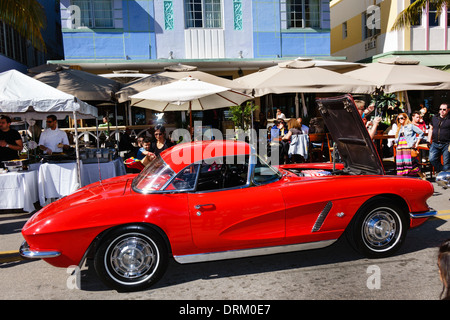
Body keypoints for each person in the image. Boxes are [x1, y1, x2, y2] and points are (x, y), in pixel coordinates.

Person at [394, 113, 425, 178]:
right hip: (400, 148)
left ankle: (422, 175)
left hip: (408, 147)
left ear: (405, 118)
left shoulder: (410, 126)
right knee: (401, 165)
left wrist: (416, 142)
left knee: (411, 164)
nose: (400, 120)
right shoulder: (399, 127)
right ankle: (402, 180)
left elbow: (421, 133)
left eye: (401, 118)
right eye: (398, 119)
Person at [427, 104, 450, 173]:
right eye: (440, 109)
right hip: (435, 142)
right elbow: (431, 129)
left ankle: (446, 180)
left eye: (444, 109)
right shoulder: (434, 118)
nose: (442, 111)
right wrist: (428, 140)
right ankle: (443, 171)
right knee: (432, 159)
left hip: (446, 143)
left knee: (446, 162)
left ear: (448, 110)